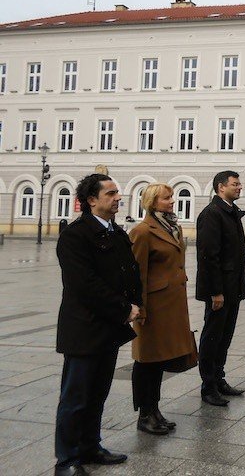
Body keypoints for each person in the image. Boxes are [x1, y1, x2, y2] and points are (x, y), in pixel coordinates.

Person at [54, 173, 142, 475]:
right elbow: (84, 284)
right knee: (75, 398)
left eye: (118, 192)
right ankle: (66, 460)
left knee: (97, 394)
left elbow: (129, 271)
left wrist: (136, 303)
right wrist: (123, 308)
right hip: (84, 329)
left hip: (108, 328)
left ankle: (90, 447)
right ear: (92, 200)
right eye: (111, 193)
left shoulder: (116, 232)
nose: (118, 197)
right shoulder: (75, 235)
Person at [129, 183, 197, 435]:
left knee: (158, 362)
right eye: (166, 198)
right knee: (146, 361)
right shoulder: (142, 232)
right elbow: (137, 274)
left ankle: (154, 410)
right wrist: (140, 309)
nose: (172, 201)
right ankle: (144, 414)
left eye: (171, 197)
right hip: (153, 308)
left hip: (172, 305)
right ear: (152, 202)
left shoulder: (173, 227)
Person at [196, 170, 245, 406]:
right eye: (235, 184)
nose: (239, 187)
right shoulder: (212, 214)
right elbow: (209, 256)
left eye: (239, 184)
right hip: (220, 290)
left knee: (225, 337)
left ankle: (219, 379)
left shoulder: (230, 212)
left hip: (232, 287)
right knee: (212, 337)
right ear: (220, 187)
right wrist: (215, 292)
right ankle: (208, 387)